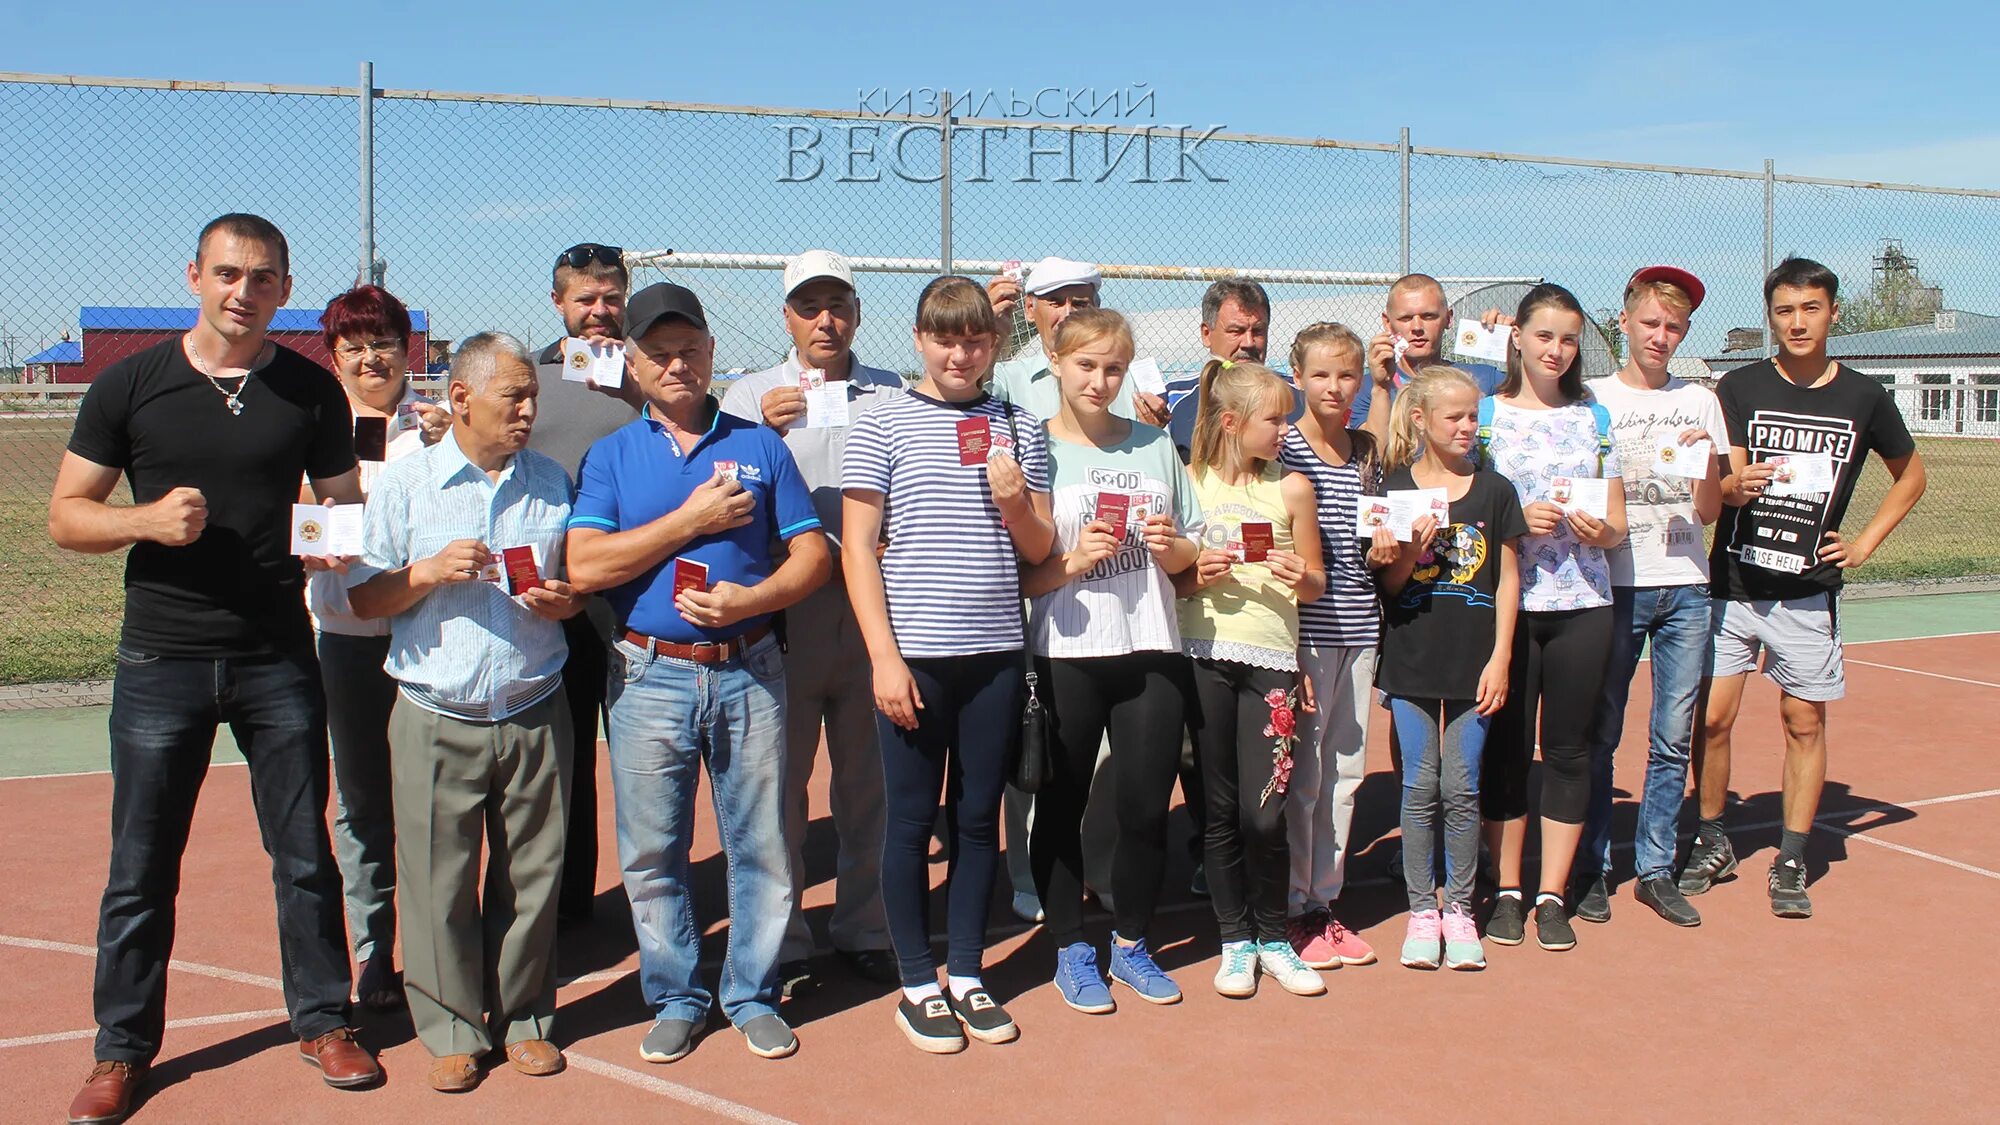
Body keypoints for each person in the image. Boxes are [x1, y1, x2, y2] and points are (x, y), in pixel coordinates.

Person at [50, 213, 379, 1125]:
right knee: (142, 862)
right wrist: (142, 522)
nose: (244, 291)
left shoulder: (311, 392)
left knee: (304, 851)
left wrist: (332, 546)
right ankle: (121, 1047)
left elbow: (343, 504)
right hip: (163, 656)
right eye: (228, 273)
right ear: (194, 274)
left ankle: (322, 1018)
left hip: (276, 654)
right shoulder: (130, 385)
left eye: (264, 278)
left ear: (284, 289)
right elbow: (67, 515)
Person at [568, 282, 830, 1064]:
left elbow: (812, 554)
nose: (676, 364)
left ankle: (751, 990)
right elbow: (585, 564)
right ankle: (676, 994)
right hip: (649, 675)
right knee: (653, 850)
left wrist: (758, 594)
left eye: (689, 349)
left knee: (763, 844)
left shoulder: (759, 445)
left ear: (712, 353)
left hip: (749, 667)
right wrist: (691, 522)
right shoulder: (611, 455)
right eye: (659, 352)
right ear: (634, 363)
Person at [348, 332, 582, 1092]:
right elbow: (363, 596)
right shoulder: (406, 484)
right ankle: (452, 1025)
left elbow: (574, 585)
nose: (527, 409)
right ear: (460, 399)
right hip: (434, 710)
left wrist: (564, 601)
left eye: (531, 396)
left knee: (533, 875)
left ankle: (525, 1018)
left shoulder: (551, 481)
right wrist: (424, 572)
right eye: (512, 396)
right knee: (437, 878)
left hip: (533, 704)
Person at [842, 276, 1054, 1053]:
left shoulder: (1019, 426)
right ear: (919, 337)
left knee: (975, 819)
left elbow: (1039, 549)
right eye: (944, 336)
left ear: (995, 342)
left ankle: (966, 971)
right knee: (908, 821)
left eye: (975, 338)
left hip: (996, 654)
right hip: (915, 660)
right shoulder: (880, 419)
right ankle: (915, 980)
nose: (960, 351)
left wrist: (1014, 503)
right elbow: (858, 547)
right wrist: (883, 658)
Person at [1682, 257, 1926, 918]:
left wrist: (1866, 541)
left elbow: (1911, 475)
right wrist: (1736, 488)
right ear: (1771, 316)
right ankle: (1711, 840)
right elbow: (1721, 483)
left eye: (1810, 308)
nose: (1797, 321)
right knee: (1712, 718)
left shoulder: (1865, 397)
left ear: (1833, 313)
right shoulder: (1738, 386)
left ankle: (1791, 855)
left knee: (1802, 719)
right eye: (1785, 310)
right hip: (1733, 585)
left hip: (1808, 590)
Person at [719, 250, 902, 994]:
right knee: (778, 787)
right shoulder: (747, 394)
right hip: (783, 613)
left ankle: (864, 926)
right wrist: (756, 430)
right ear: (786, 315)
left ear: (856, 311)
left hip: (869, 611)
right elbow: (719, 497)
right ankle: (785, 938)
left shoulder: (889, 390)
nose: (826, 319)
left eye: (839, 304)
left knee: (869, 784)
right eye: (809, 305)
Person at [1019, 309, 1202, 1013]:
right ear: (1058, 364)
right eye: (1086, 365)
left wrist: (1170, 545)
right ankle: (1070, 944)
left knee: (1145, 809)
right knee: (1060, 806)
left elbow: (1192, 562)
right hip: (1066, 651)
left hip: (1151, 647)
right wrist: (1073, 560)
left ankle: (1131, 942)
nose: (1100, 380)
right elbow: (1023, 569)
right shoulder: (1035, 449)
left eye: (1114, 367)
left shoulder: (1158, 446)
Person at [309, 284, 449, 1014]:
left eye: (384, 343)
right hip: (346, 642)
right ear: (333, 355)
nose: (371, 358)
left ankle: (440, 952)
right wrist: (307, 546)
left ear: (408, 350)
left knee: (434, 804)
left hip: (425, 640)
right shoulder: (312, 423)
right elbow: (287, 521)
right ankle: (374, 953)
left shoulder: (433, 426)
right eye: (354, 346)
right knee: (362, 805)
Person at [1476, 283, 1628, 953]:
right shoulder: (1483, 416)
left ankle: (1551, 894)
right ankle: (1507, 888)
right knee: (1506, 752)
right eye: (1544, 336)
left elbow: (1618, 524)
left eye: (1568, 338)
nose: (1557, 350)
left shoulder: (1594, 419)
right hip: (1507, 608)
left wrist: (1599, 531)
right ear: (1518, 338)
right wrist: (1515, 520)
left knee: (1569, 752)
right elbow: (1463, 511)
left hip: (1582, 607)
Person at [1575, 267, 1726, 928]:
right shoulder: (1591, 397)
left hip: (1686, 588)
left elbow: (1711, 509)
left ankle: (1657, 868)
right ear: (1625, 325)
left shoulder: (1701, 402)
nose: (1661, 336)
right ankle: (1592, 866)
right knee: (1601, 731)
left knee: (1671, 734)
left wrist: (1708, 463)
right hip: (1614, 583)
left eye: (1674, 327)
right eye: (1651, 324)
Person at [1176, 358, 1327, 999]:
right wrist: (1193, 575)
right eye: (1276, 420)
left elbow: (1318, 582)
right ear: (1233, 423)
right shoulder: (1187, 483)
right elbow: (1169, 578)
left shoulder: (1292, 489)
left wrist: (1301, 575)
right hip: (1201, 655)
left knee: (1266, 814)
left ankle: (1274, 936)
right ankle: (1235, 940)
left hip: (1271, 661)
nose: (1287, 432)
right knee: (1218, 811)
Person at [1373, 367, 1524, 971]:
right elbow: (1388, 583)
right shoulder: (1392, 486)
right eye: (1453, 416)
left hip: (1475, 666)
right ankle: (1421, 911)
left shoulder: (1495, 490)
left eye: (1473, 416)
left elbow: (1509, 578)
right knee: (1418, 786)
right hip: (1410, 661)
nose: (1466, 427)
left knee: (1462, 787)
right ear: (1420, 420)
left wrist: (1502, 657)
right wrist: (1406, 550)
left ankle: (1459, 909)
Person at [530, 241, 642, 925]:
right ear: (559, 303)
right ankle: (567, 910)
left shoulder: (653, 370)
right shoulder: (529, 376)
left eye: (610, 299)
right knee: (559, 766)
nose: (599, 313)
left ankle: (657, 902)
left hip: (637, 595)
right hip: (559, 601)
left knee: (646, 762)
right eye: (585, 300)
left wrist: (640, 386)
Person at [1277, 323, 1390, 970]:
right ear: (1297, 376)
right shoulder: (1285, 450)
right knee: (1307, 780)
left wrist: (1387, 550)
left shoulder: (1367, 452)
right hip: (1305, 636)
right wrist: (1289, 650)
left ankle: (1325, 902)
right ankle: (1295, 906)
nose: (1334, 386)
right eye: (1321, 374)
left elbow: (1377, 539)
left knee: (1345, 773)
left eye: (1345, 375)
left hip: (1360, 631)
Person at [987, 256, 1166, 427]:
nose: (1067, 314)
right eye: (1055, 303)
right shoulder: (1006, 379)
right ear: (1029, 309)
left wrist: (1150, 433)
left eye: (1079, 304)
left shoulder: (1131, 382)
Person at [1349, 273, 1507, 429]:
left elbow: (1529, 399)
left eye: (1428, 316)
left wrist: (1518, 342)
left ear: (1449, 318)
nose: (1417, 327)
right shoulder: (1366, 387)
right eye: (1406, 318)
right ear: (1388, 323)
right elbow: (1372, 450)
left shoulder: (1483, 378)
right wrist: (1381, 389)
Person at [1164, 280, 1275, 454]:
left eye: (1258, 331)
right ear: (1206, 334)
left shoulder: (1297, 397)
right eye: (1236, 331)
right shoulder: (1171, 400)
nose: (1248, 343)